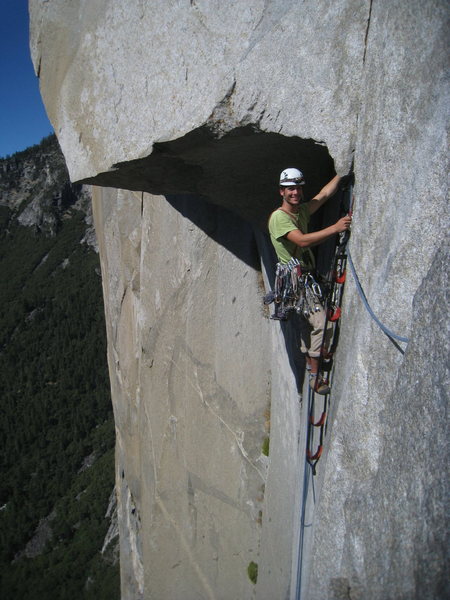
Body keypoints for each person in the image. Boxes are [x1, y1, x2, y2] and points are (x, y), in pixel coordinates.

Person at [268, 167, 352, 394]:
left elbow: (324, 195)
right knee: (320, 321)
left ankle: (311, 367)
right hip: (296, 280)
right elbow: (302, 241)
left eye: (297, 188)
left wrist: (342, 172)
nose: (294, 192)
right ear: (281, 192)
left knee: (308, 324)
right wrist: (335, 228)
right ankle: (316, 376)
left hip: (303, 276)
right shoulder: (279, 218)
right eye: (290, 189)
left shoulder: (301, 211)